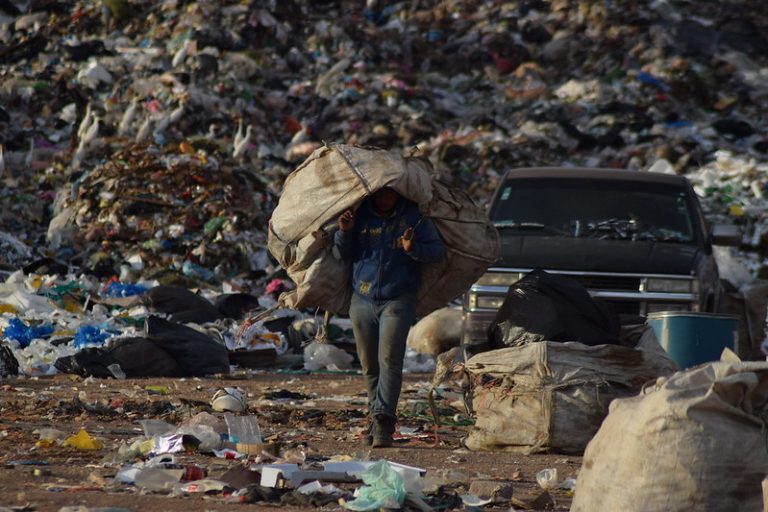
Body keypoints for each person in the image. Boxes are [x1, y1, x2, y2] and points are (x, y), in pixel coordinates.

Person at [334, 187, 445, 447]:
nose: (384, 199)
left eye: (389, 194)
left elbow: (438, 252)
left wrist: (413, 248)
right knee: (369, 365)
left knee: (390, 360)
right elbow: (341, 254)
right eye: (380, 194)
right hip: (362, 299)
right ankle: (375, 417)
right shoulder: (359, 217)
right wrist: (344, 232)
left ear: (398, 193)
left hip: (398, 299)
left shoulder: (414, 219)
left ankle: (384, 423)